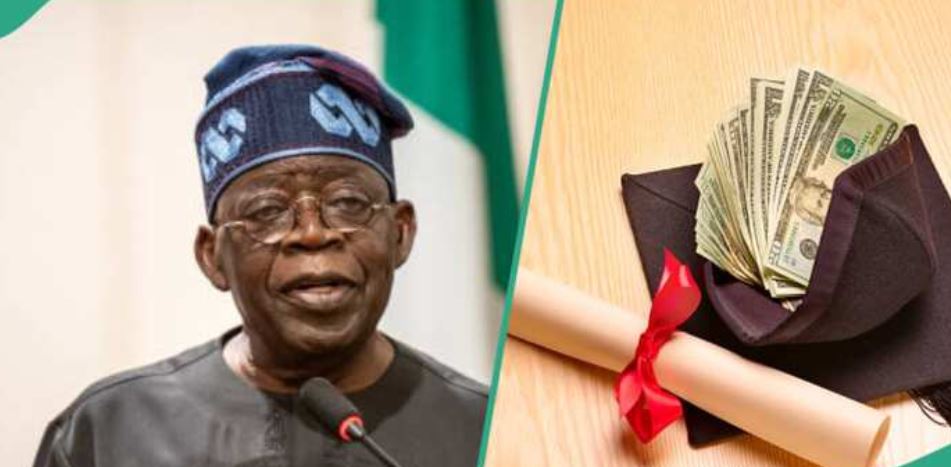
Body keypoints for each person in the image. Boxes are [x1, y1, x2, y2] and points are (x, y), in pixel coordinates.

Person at [32, 44, 487, 467]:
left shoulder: (489, 430)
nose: (312, 235)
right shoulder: (109, 430)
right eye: (268, 212)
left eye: (348, 203)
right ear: (212, 257)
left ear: (401, 233)